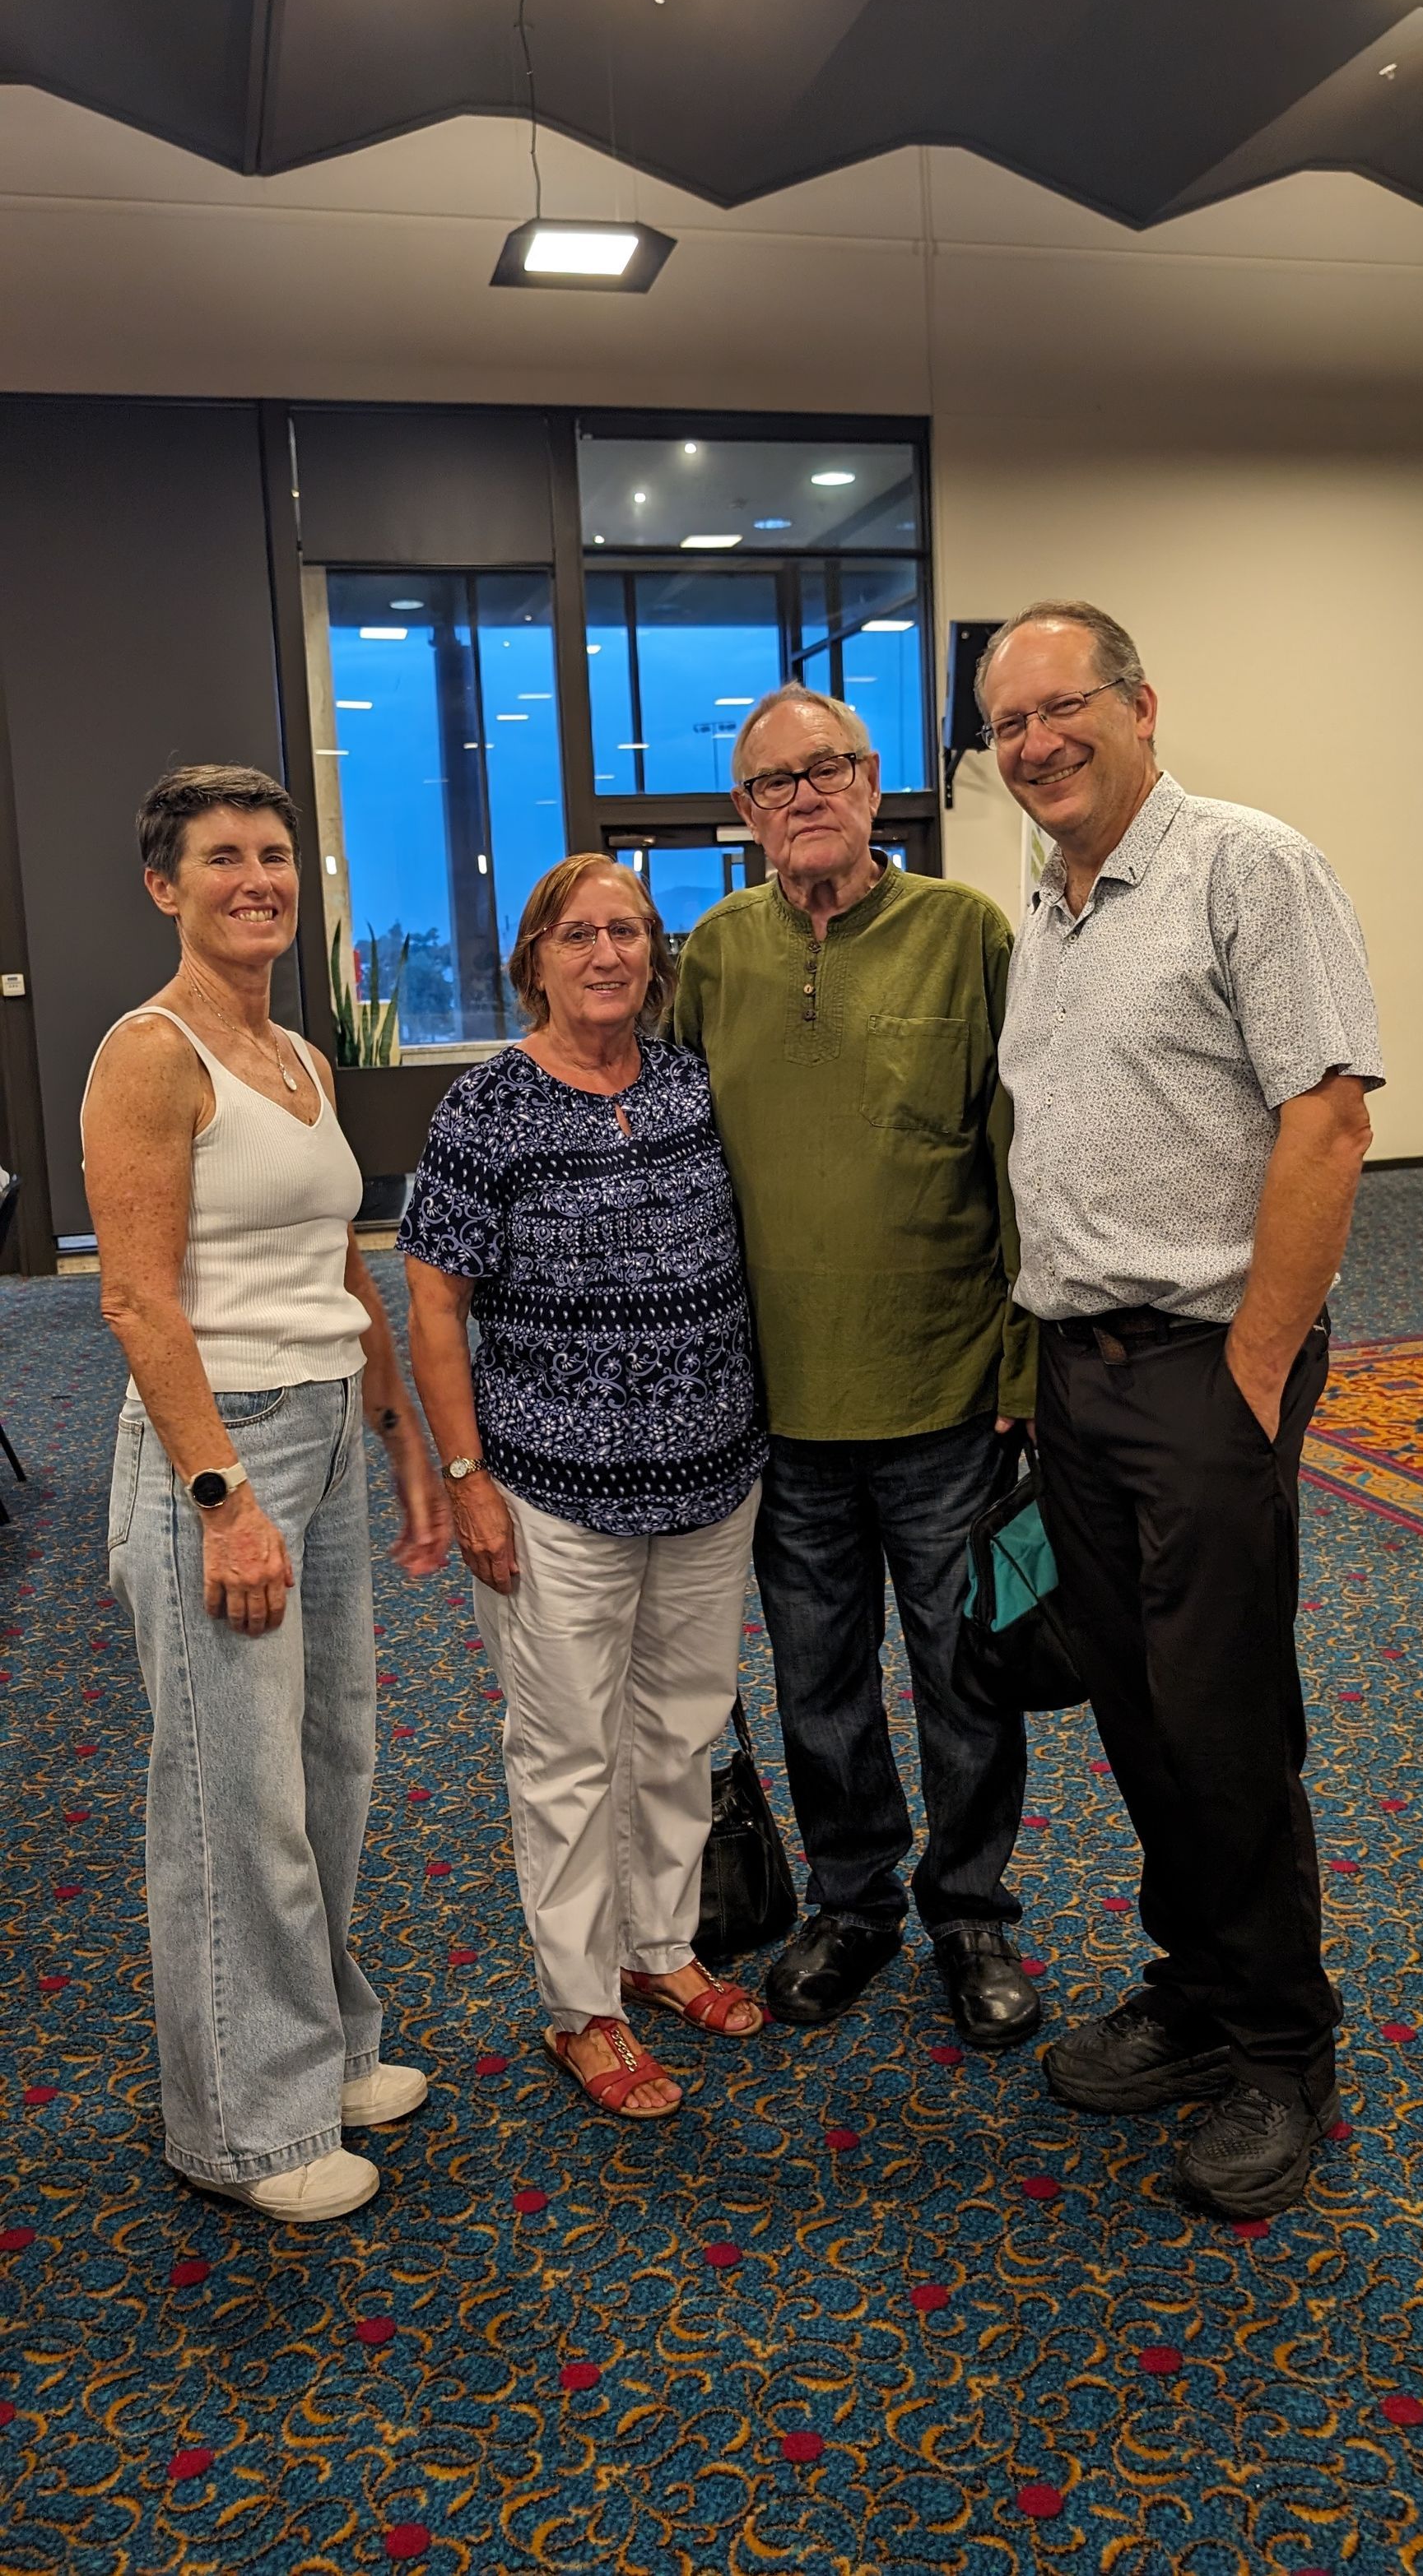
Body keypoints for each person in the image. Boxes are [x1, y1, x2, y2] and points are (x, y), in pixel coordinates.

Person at [982, 597, 1383, 2219]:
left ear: (1142, 706)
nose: (1036, 744)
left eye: (1062, 706)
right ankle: (1201, 1988)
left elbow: (1329, 1121)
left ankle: (1282, 2047)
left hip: (1210, 1366)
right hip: (1076, 1376)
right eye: (1007, 724)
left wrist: (1254, 1373)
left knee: (1223, 1714)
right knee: (1136, 1707)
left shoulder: (1247, 868)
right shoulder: (1049, 906)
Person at [81, 764, 450, 2221]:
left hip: (328, 1423)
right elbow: (134, 1298)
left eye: (277, 854)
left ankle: (324, 2048)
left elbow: (335, 1254)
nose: (258, 879)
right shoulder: (150, 1051)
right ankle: (241, 2125)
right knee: (230, 1796)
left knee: (326, 1765)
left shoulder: (296, 1052)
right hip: (220, 1442)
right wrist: (220, 1495)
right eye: (224, 856)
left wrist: (396, 1424)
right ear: (165, 885)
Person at [669, 684, 1039, 2052]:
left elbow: (1023, 1156)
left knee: (965, 1673)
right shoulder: (718, 953)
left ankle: (972, 1912)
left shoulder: (967, 933)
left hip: (948, 1393)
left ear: (874, 783)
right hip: (782, 1407)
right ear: (747, 812)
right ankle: (853, 1900)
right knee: (819, 1679)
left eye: (827, 768)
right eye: (775, 781)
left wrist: (1024, 1366)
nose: (805, 795)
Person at [400, 856, 767, 2123]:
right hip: (553, 1489)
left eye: (628, 931)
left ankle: (659, 1948)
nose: (606, 953)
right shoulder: (486, 1108)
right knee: (567, 1752)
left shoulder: (688, 1083)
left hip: (712, 1474)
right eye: (577, 934)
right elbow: (434, 1307)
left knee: (679, 1728)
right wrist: (467, 1479)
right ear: (535, 959)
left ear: (653, 954)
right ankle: (581, 2004)